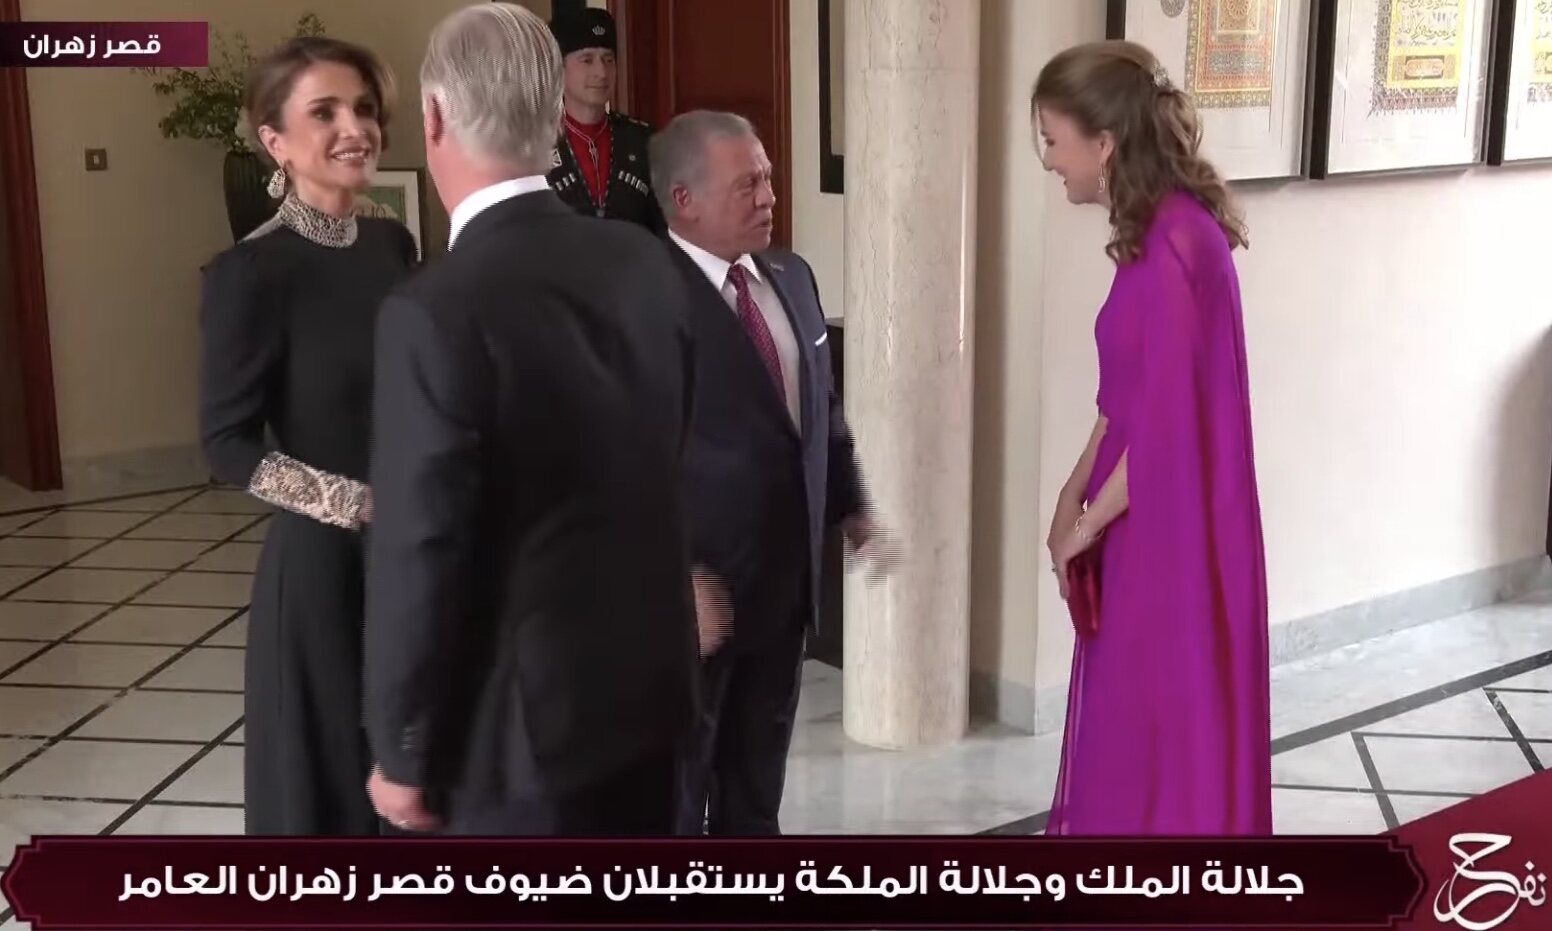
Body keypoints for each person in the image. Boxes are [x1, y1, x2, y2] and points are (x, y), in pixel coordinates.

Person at [362, 2, 699, 837]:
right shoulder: (647, 262)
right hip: (656, 697)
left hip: (522, 741)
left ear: (435, 117)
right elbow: (676, 448)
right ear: (552, 113)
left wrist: (403, 748)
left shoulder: (431, 310)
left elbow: (420, 548)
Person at [1032, 40, 1271, 835]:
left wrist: (1087, 524)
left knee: (1159, 719)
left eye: (1052, 140)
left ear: (1103, 144)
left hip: (1170, 531)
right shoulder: (1148, 232)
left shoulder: (1176, 243)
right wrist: (1075, 487)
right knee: (1131, 715)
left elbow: (1168, 427)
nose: (1047, 160)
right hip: (1140, 518)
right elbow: (1125, 399)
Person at [197, 36, 417, 835]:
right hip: (322, 570)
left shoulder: (393, 245)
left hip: (409, 558)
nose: (354, 126)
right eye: (323, 112)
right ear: (275, 143)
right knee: (328, 791)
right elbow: (225, 441)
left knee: (410, 776)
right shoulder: (249, 274)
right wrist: (357, 504)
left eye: (362, 107)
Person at [652, 110, 888, 836]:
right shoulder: (643, 300)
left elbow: (821, 406)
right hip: (694, 605)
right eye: (746, 184)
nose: (768, 197)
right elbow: (625, 458)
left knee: (756, 791)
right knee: (680, 796)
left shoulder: (791, 274)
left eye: (769, 179)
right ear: (684, 201)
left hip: (784, 594)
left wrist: (850, 504)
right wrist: (677, 572)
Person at [545, 7, 664, 230]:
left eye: (608, 60)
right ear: (559, 69)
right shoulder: (533, 145)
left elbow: (664, 228)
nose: (601, 72)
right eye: (587, 60)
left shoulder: (643, 141)